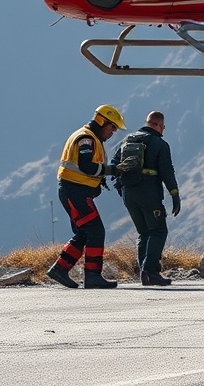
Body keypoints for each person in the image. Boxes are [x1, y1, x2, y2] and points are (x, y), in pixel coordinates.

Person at [47, 104, 135, 289]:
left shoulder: (89, 136)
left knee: (83, 233)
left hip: (74, 192)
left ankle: (60, 269)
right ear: (102, 121)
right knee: (96, 231)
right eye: (112, 127)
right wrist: (112, 170)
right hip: (75, 193)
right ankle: (93, 275)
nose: (113, 133)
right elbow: (86, 166)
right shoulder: (86, 138)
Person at [111, 110, 181, 286]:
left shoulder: (128, 140)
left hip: (129, 193)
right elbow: (167, 171)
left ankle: (145, 274)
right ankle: (151, 271)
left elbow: (114, 166)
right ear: (158, 125)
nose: (163, 130)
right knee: (158, 231)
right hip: (149, 193)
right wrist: (174, 194)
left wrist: (123, 189)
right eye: (163, 127)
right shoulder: (159, 144)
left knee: (144, 232)